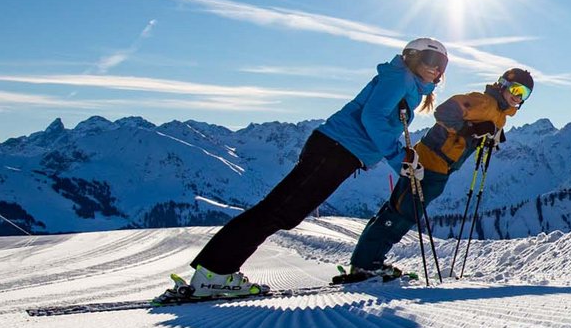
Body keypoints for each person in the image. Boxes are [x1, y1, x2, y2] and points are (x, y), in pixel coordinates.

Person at [157, 38, 449, 303]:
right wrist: (397, 157)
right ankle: (214, 274)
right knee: (278, 210)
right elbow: (371, 117)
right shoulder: (400, 79)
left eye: (441, 65)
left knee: (281, 210)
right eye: (429, 60)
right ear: (411, 57)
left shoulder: (405, 84)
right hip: (336, 150)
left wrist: (399, 154)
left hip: (338, 151)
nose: (435, 69)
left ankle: (214, 272)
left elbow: (379, 121)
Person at [336, 67, 534, 283]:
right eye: (516, 89)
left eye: (524, 94)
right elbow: (444, 112)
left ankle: (367, 262)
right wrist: (471, 129)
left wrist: (490, 134)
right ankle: (366, 265)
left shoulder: (499, 114)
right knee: (402, 213)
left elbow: (478, 129)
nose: (517, 97)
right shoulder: (483, 102)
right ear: (502, 84)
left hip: (441, 168)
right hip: (428, 161)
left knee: (402, 211)